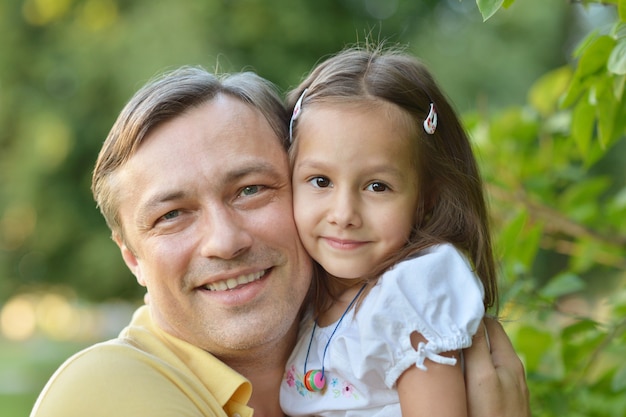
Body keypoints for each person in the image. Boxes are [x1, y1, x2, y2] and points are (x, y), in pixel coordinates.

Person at [29, 65, 529, 417]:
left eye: (251, 190)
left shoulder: (351, 352)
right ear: (132, 256)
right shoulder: (106, 393)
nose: (224, 242)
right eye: (172, 214)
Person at [280, 47, 500, 417]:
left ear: (425, 199)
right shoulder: (305, 301)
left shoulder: (411, 293)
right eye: (321, 180)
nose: (344, 214)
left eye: (377, 187)